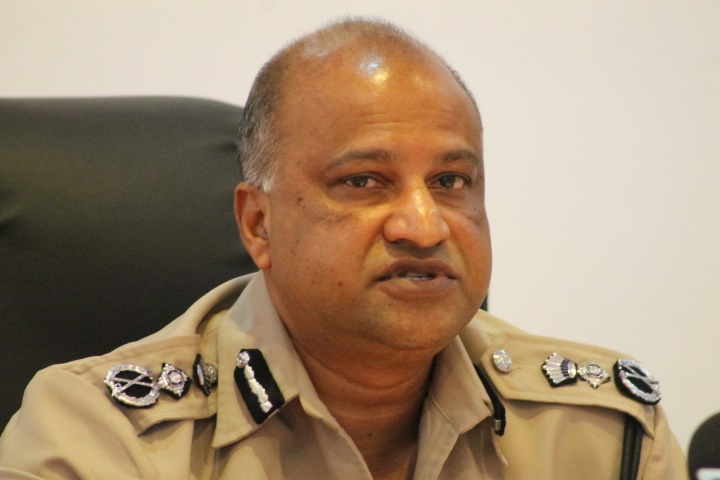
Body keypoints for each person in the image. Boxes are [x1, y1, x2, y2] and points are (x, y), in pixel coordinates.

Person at [0, 18, 686, 479]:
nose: (424, 226)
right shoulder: (100, 440)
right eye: (364, 182)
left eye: (451, 181)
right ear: (258, 224)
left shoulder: (603, 436)